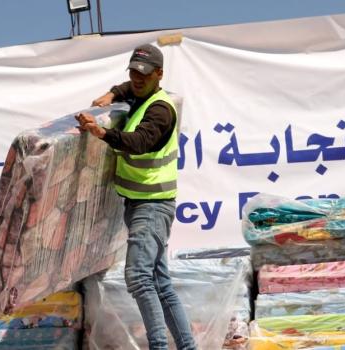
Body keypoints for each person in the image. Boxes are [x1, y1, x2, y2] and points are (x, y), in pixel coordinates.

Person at [75, 44, 197, 350]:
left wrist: (103, 134)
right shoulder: (138, 93)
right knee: (159, 282)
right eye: (133, 72)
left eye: (144, 74)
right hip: (140, 202)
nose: (137, 78)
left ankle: (159, 346)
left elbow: (140, 142)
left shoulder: (159, 109)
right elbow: (130, 87)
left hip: (153, 205)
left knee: (139, 277)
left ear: (159, 75)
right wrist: (112, 94)